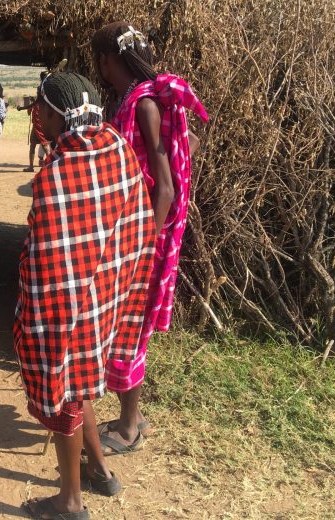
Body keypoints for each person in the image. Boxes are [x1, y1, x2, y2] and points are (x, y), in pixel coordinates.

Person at [14, 72, 156, 518]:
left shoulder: (60, 170)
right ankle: (100, 471)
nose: (39, 117)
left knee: (62, 390)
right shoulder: (117, 148)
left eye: (42, 110)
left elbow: (49, 259)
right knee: (78, 383)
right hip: (109, 298)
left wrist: (34, 313)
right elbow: (139, 226)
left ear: (56, 114)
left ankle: (70, 502)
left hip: (65, 304)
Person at [91, 22, 208, 455]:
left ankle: (128, 427)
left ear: (106, 60)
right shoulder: (140, 101)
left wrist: (144, 241)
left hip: (141, 238)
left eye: (98, 59)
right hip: (134, 231)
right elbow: (190, 141)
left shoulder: (143, 105)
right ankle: (132, 416)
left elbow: (165, 188)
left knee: (128, 332)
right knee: (125, 329)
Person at [17, 72, 52, 172]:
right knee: (42, 145)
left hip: (39, 124)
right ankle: (44, 166)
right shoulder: (49, 89)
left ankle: (33, 167)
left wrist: (22, 108)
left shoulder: (42, 88)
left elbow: (36, 103)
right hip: (42, 122)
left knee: (42, 145)